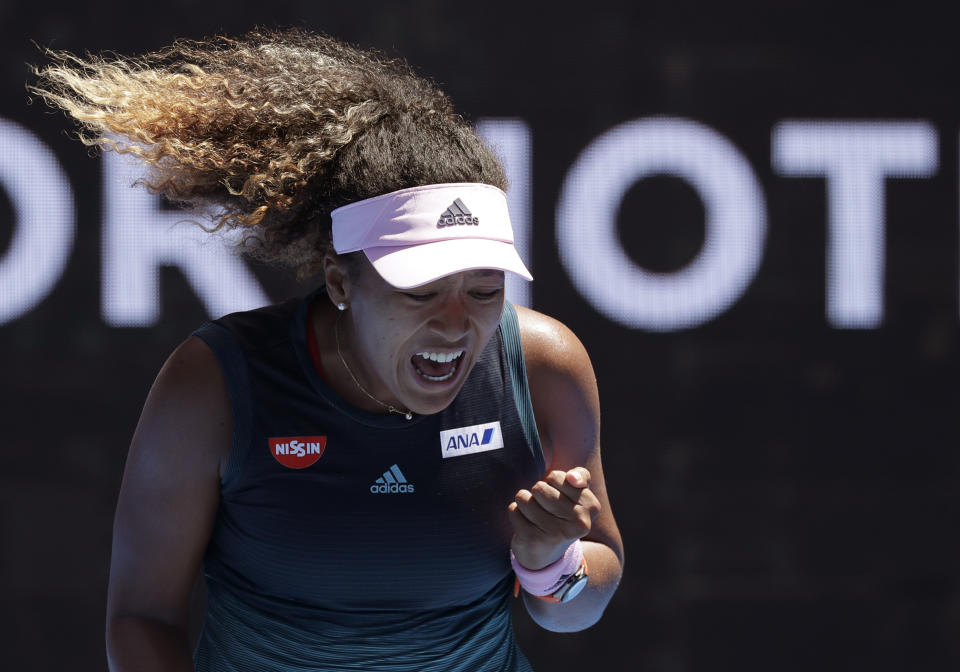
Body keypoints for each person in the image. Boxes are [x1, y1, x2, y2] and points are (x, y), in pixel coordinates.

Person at [32, 29, 624, 672]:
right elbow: (142, 618)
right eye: (422, 292)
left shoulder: (544, 367)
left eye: (483, 290)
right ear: (341, 281)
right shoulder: (214, 384)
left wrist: (550, 564)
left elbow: (578, 606)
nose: (456, 325)